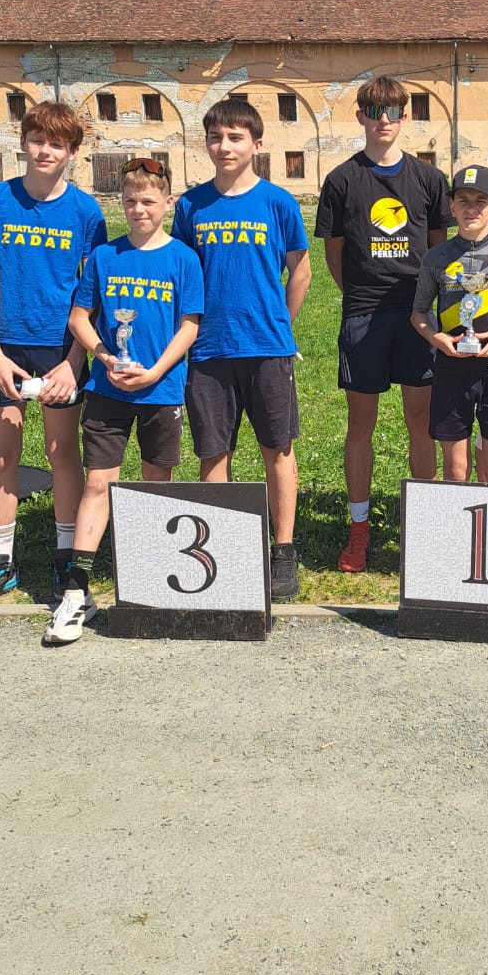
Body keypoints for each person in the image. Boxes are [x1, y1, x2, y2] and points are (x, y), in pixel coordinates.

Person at [47, 158, 204, 645]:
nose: (139, 210)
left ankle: (152, 581)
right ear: (121, 203)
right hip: (107, 389)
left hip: (162, 389)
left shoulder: (184, 259)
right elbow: (79, 317)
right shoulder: (104, 256)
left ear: (168, 203)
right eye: (131, 201)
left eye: (149, 201)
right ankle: (77, 593)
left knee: (157, 485)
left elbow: (190, 325)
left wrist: (156, 370)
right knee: (99, 484)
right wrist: (103, 355)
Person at [0, 101, 107, 604]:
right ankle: (0, 563)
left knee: (62, 454)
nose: (46, 151)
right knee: (2, 454)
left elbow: (91, 294)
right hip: (6, 347)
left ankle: (66, 559)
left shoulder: (86, 212)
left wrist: (74, 362)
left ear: (73, 152)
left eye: (57, 144)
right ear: (23, 142)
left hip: (59, 349)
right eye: (38, 140)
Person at [172, 99, 311, 600]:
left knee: (279, 450)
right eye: (215, 137)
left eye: (235, 137)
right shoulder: (190, 206)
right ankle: (219, 548)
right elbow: (182, 272)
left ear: (257, 144)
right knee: (214, 453)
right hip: (208, 350)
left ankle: (283, 551)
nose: (224, 146)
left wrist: (280, 322)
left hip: (267, 347)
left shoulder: (279, 202)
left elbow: (300, 269)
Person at [315, 76, 451, 572]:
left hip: (416, 315)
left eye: (393, 111)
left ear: (406, 116)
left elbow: (438, 249)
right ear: (361, 117)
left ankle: (427, 524)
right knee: (361, 425)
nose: (384, 121)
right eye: (375, 112)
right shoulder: (341, 180)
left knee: (421, 420)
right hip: (364, 314)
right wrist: (359, 295)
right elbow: (334, 254)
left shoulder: (429, 179)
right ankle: (359, 529)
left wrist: (425, 304)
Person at [410, 164, 488, 485]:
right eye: (463, 201)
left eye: (480, 201)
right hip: (451, 371)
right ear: (451, 207)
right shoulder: (435, 259)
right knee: (455, 472)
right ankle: (458, 520)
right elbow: (419, 314)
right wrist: (436, 338)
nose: (471, 209)